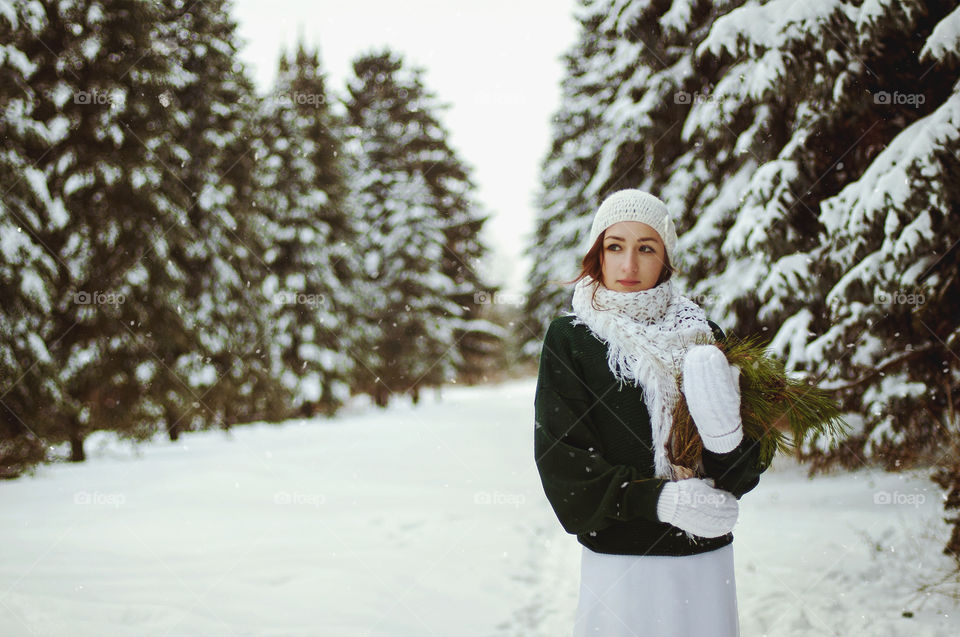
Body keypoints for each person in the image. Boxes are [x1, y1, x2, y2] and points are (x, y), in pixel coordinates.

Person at [533, 189, 767, 637]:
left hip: (704, 560)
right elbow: (563, 464)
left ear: (666, 258)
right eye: (614, 246)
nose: (629, 266)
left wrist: (725, 441)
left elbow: (744, 470)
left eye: (646, 248)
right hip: (621, 566)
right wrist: (658, 500)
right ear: (597, 254)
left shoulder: (703, 334)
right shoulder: (572, 338)